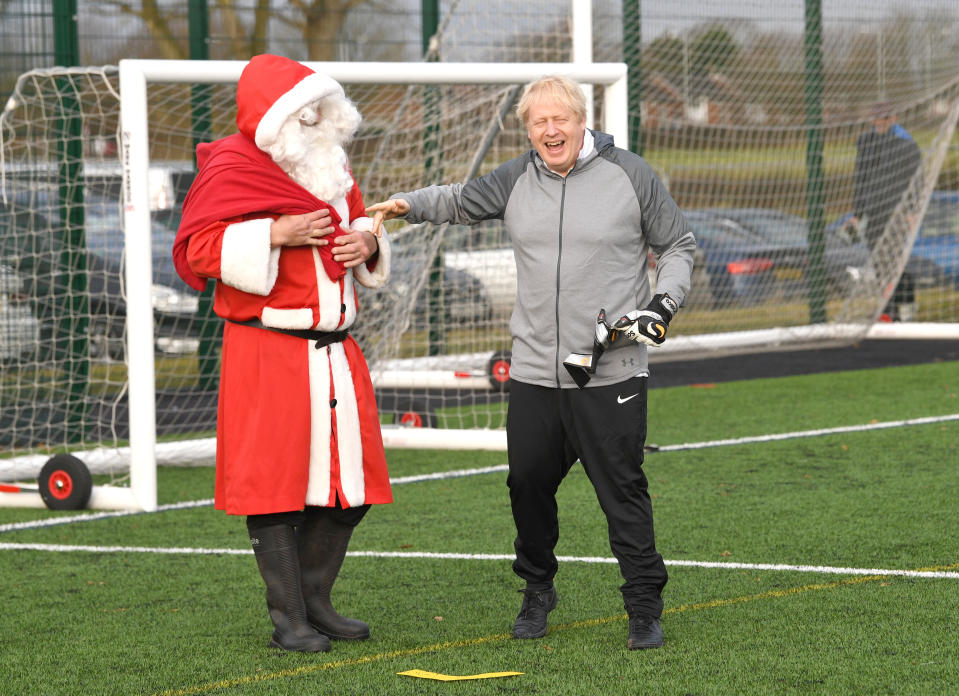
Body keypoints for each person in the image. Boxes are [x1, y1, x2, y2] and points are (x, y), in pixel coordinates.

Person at [367, 75, 696, 650]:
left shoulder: (631, 174)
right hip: (535, 371)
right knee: (526, 484)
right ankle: (538, 590)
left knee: (621, 489)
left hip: (609, 370)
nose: (550, 130)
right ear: (528, 130)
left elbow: (677, 247)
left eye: (559, 119)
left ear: (581, 120)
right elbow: (461, 200)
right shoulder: (517, 177)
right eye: (538, 122)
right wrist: (407, 206)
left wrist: (663, 303)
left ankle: (644, 606)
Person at [173, 54, 392, 653]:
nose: (318, 118)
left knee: (354, 487)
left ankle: (316, 601)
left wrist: (368, 241)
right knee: (274, 487)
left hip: (337, 349)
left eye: (321, 107)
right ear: (275, 117)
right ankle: (288, 618)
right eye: (304, 110)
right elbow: (198, 251)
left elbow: (363, 222)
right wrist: (276, 232)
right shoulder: (234, 167)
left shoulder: (332, 165)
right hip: (269, 349)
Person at [848, 101, 922, 321]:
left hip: (897, 212)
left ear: (893, 119)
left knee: (896, 262)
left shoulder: (906, 143)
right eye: (877, 119)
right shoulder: (866, 142)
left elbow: (918, 180)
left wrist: (911, 210)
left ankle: (906, 305)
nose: (880, 123)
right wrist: (857, 213)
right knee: (880, 262)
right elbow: (860, 178)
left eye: (884, 119)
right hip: (874, 213)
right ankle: (889, 310)